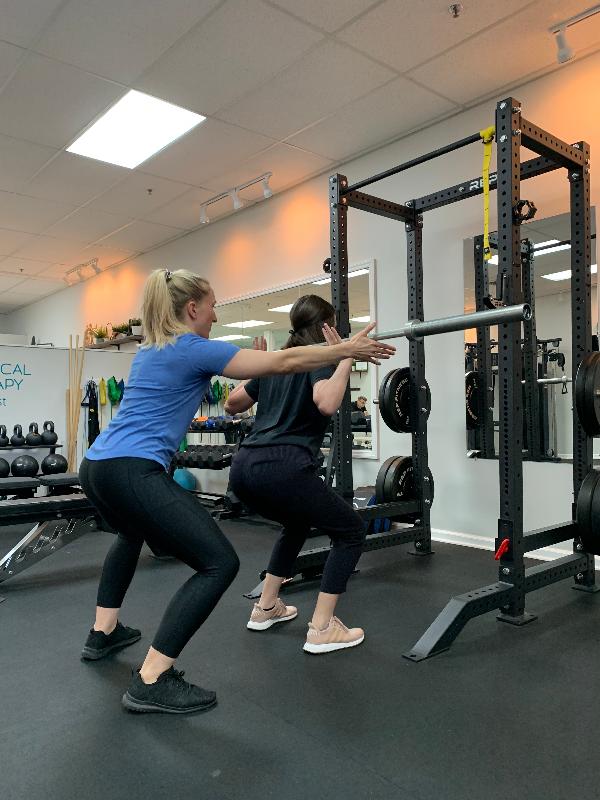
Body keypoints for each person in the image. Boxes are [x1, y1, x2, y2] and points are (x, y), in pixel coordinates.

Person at [79, 270, 394, 715]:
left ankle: (104, 631)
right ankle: (152, 677)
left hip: (95, 465)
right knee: (218, 562)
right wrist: (345, 349)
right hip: (132, 468)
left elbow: (240, 392)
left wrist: (265, 364)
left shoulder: (153, 349)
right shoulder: (192, 347)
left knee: (129, 536)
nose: (214, 314)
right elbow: (285, 365)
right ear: (192, 309)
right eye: (211, 306)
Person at [226, 295, 371, 654]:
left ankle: (266, 607)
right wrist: (345, 355)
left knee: (296, 523)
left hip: (244, 467)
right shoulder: (318, 356)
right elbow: (327, 402)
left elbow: (232, 403)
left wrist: (262, 371)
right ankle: (322, 627)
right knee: (351, 530)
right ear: (326, 326)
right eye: (333, 324)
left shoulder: (280, 361)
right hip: (284, 466)